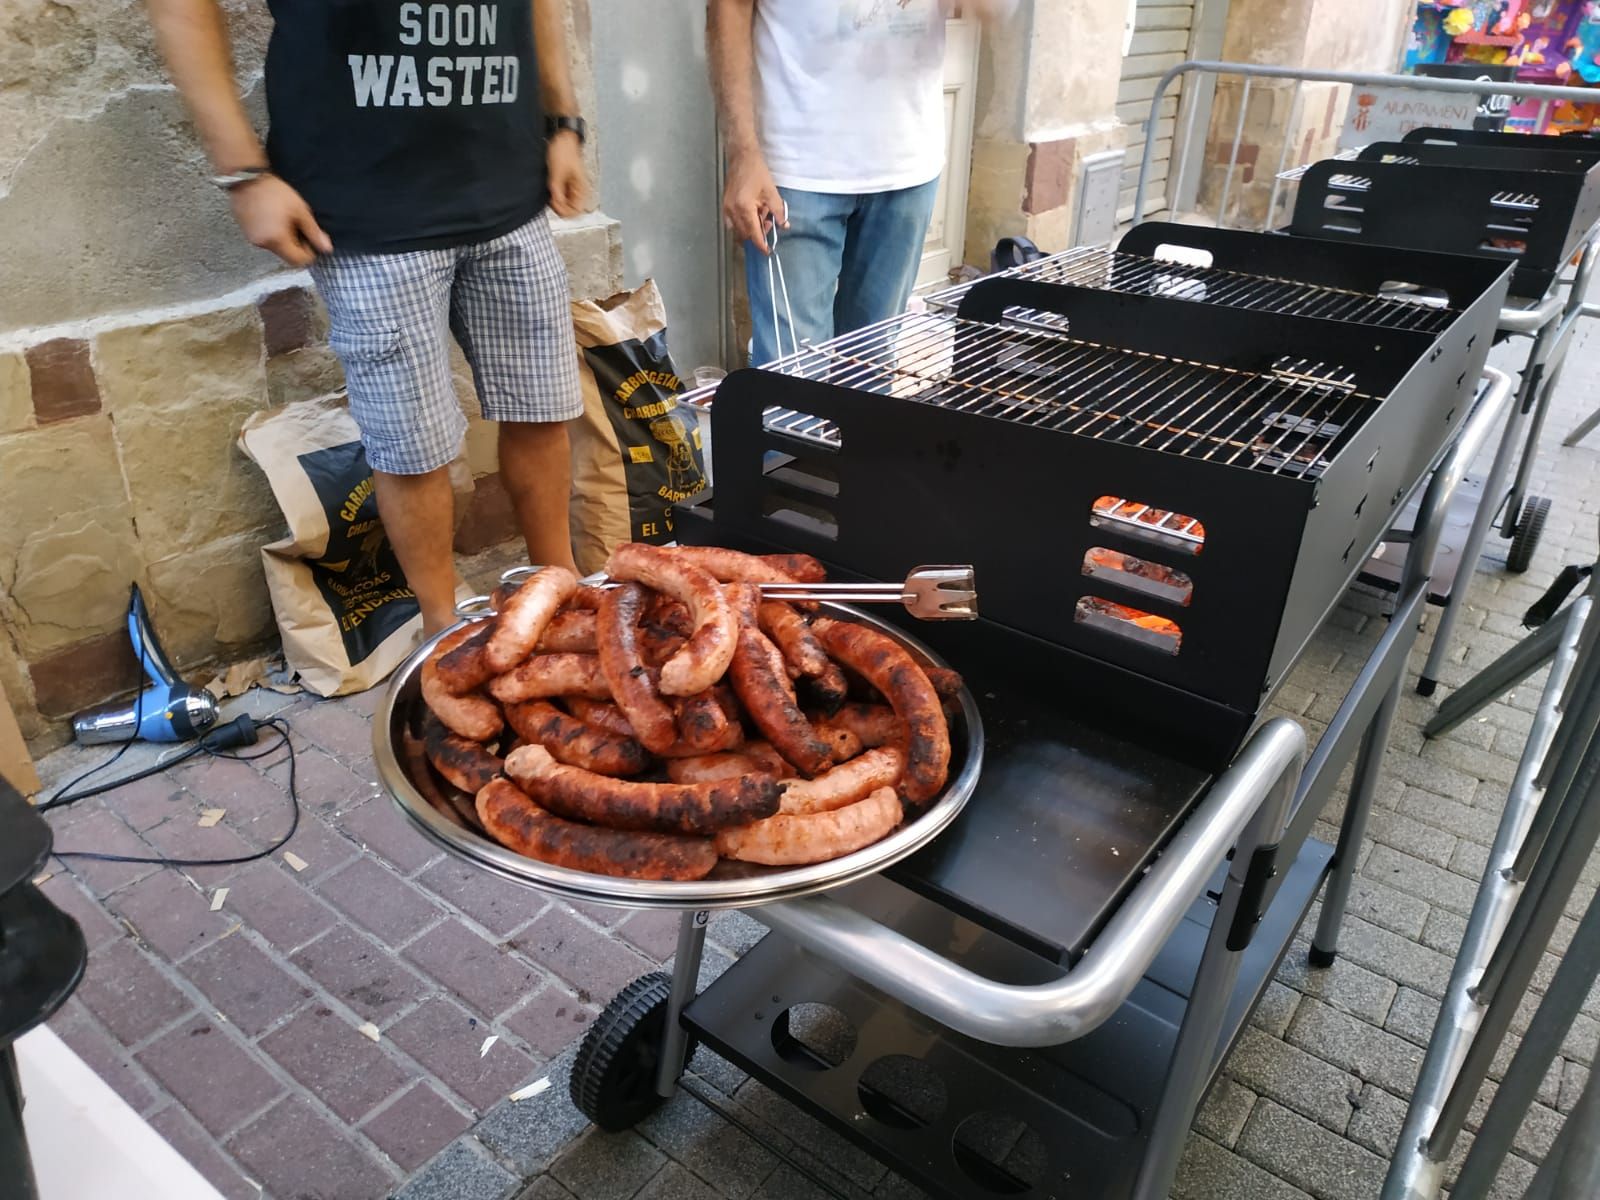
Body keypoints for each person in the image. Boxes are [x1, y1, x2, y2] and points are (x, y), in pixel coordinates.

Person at [147, 0, 592, 635]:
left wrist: (563, 124)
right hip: (366, 214)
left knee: (542, 409)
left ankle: (563, 593)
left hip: (512, 189)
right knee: (411, 448)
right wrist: (243, 174)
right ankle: (443, 632)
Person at [708, 0, 1010, 366]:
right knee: (792, 388)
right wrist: (743, 154)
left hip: (907, 166)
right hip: (793, 171)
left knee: (870, 377)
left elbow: (991, 9)